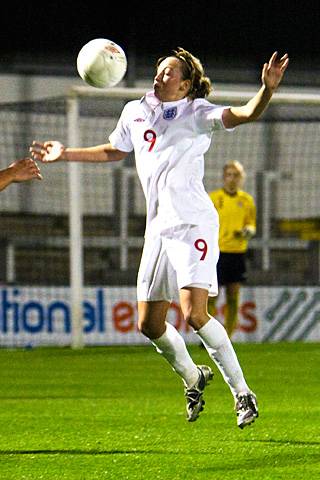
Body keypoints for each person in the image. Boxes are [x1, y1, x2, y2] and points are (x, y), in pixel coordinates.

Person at [30, 48, 288, 429]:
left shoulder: (198, 113)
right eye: (159, 70)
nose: (159, 76)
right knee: (149, 324)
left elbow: (247, 113)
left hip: (192, 223)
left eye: (169, 73)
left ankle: (242, 393)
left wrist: (266, 90)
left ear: (185, 85)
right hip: (158, 228)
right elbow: (114, 151)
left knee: (195, 314)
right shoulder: (135, 111)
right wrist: (65, 152)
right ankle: (193, 376)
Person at [208, 161, 256, 338]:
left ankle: (227, 336)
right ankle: (211, 335)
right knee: (211, 297)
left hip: (237, 253)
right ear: (223, 177)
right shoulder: (213, 198)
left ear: (242, 178)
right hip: (217, 253)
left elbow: (251, 224)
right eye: (229, 175)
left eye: (236, 175)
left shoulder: (247, 200)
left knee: (233, 296)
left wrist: (248, 231)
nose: (232, 179)